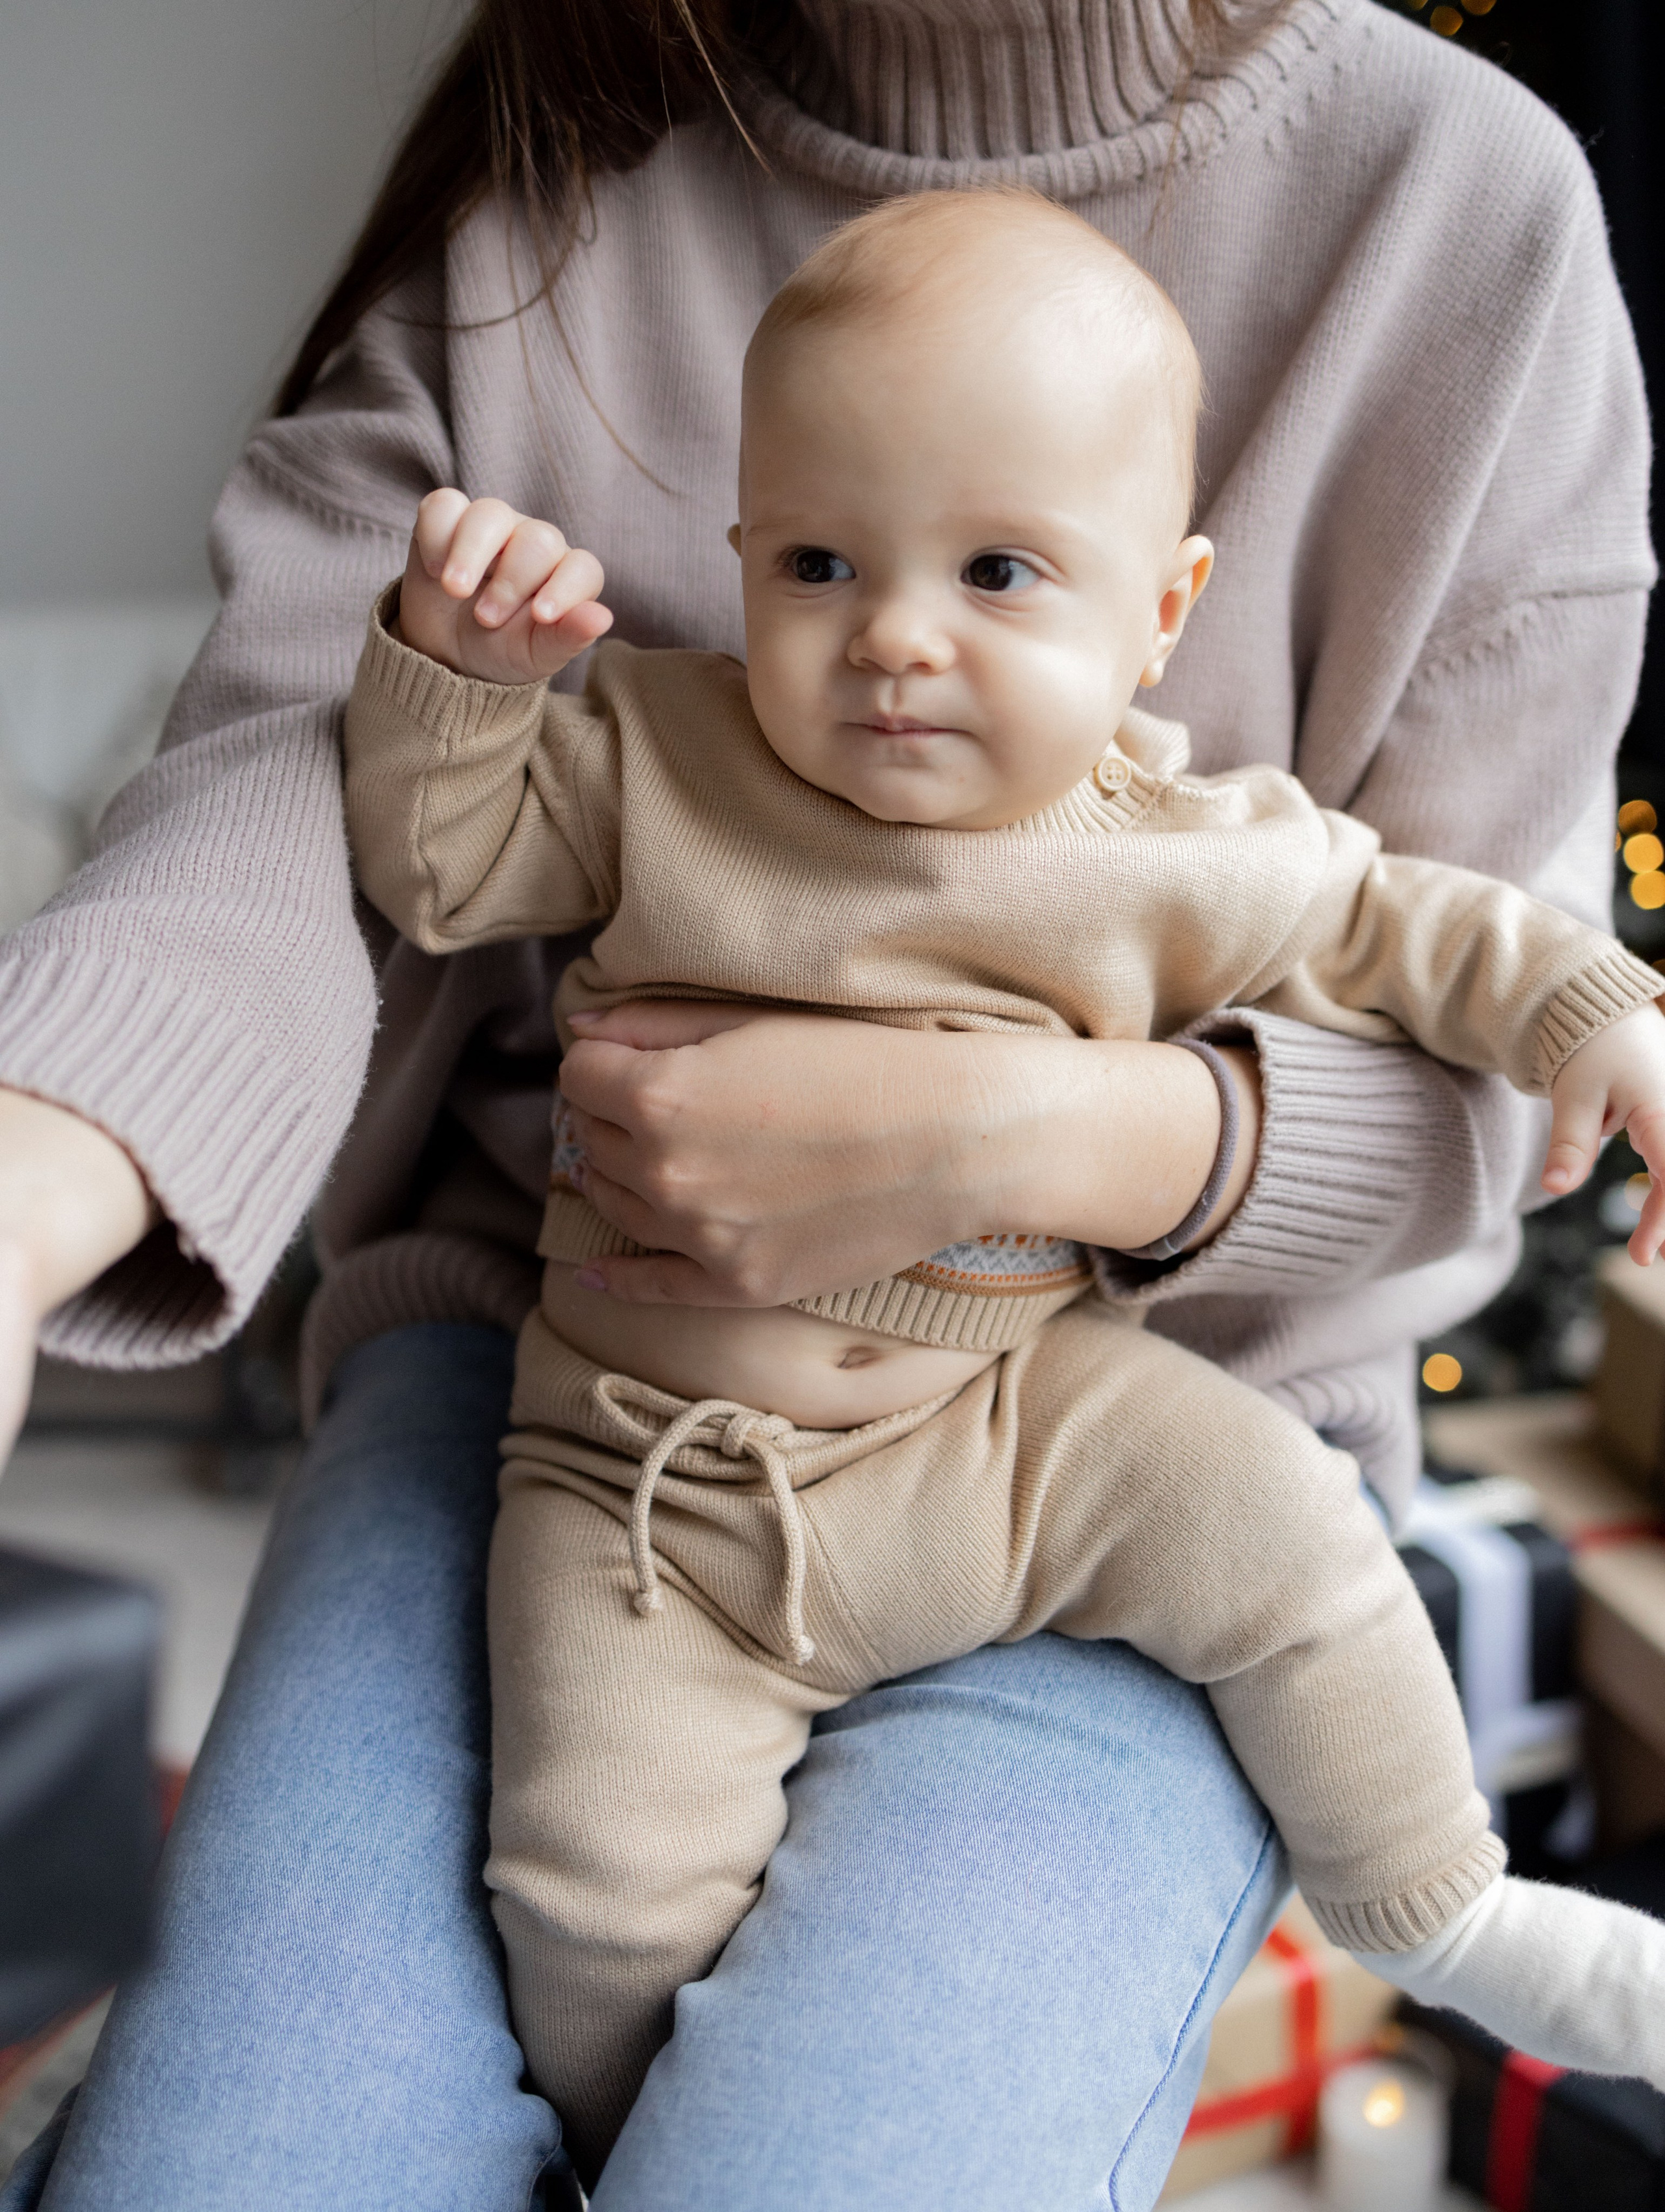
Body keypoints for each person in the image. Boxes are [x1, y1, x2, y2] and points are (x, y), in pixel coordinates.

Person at [0, 3, 1651, 2207]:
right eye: (813, 567)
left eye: (996, 577)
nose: (892, 644)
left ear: (1162, 617)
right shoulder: (659, 715)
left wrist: (1083, 1135)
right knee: (530, 1942)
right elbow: (364, 823)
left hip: (1069, 1401)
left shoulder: (1203, 798)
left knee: (1271, 1557)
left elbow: (1439, 939)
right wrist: (453, 672)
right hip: (609, 1434)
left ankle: (1437, 1901)